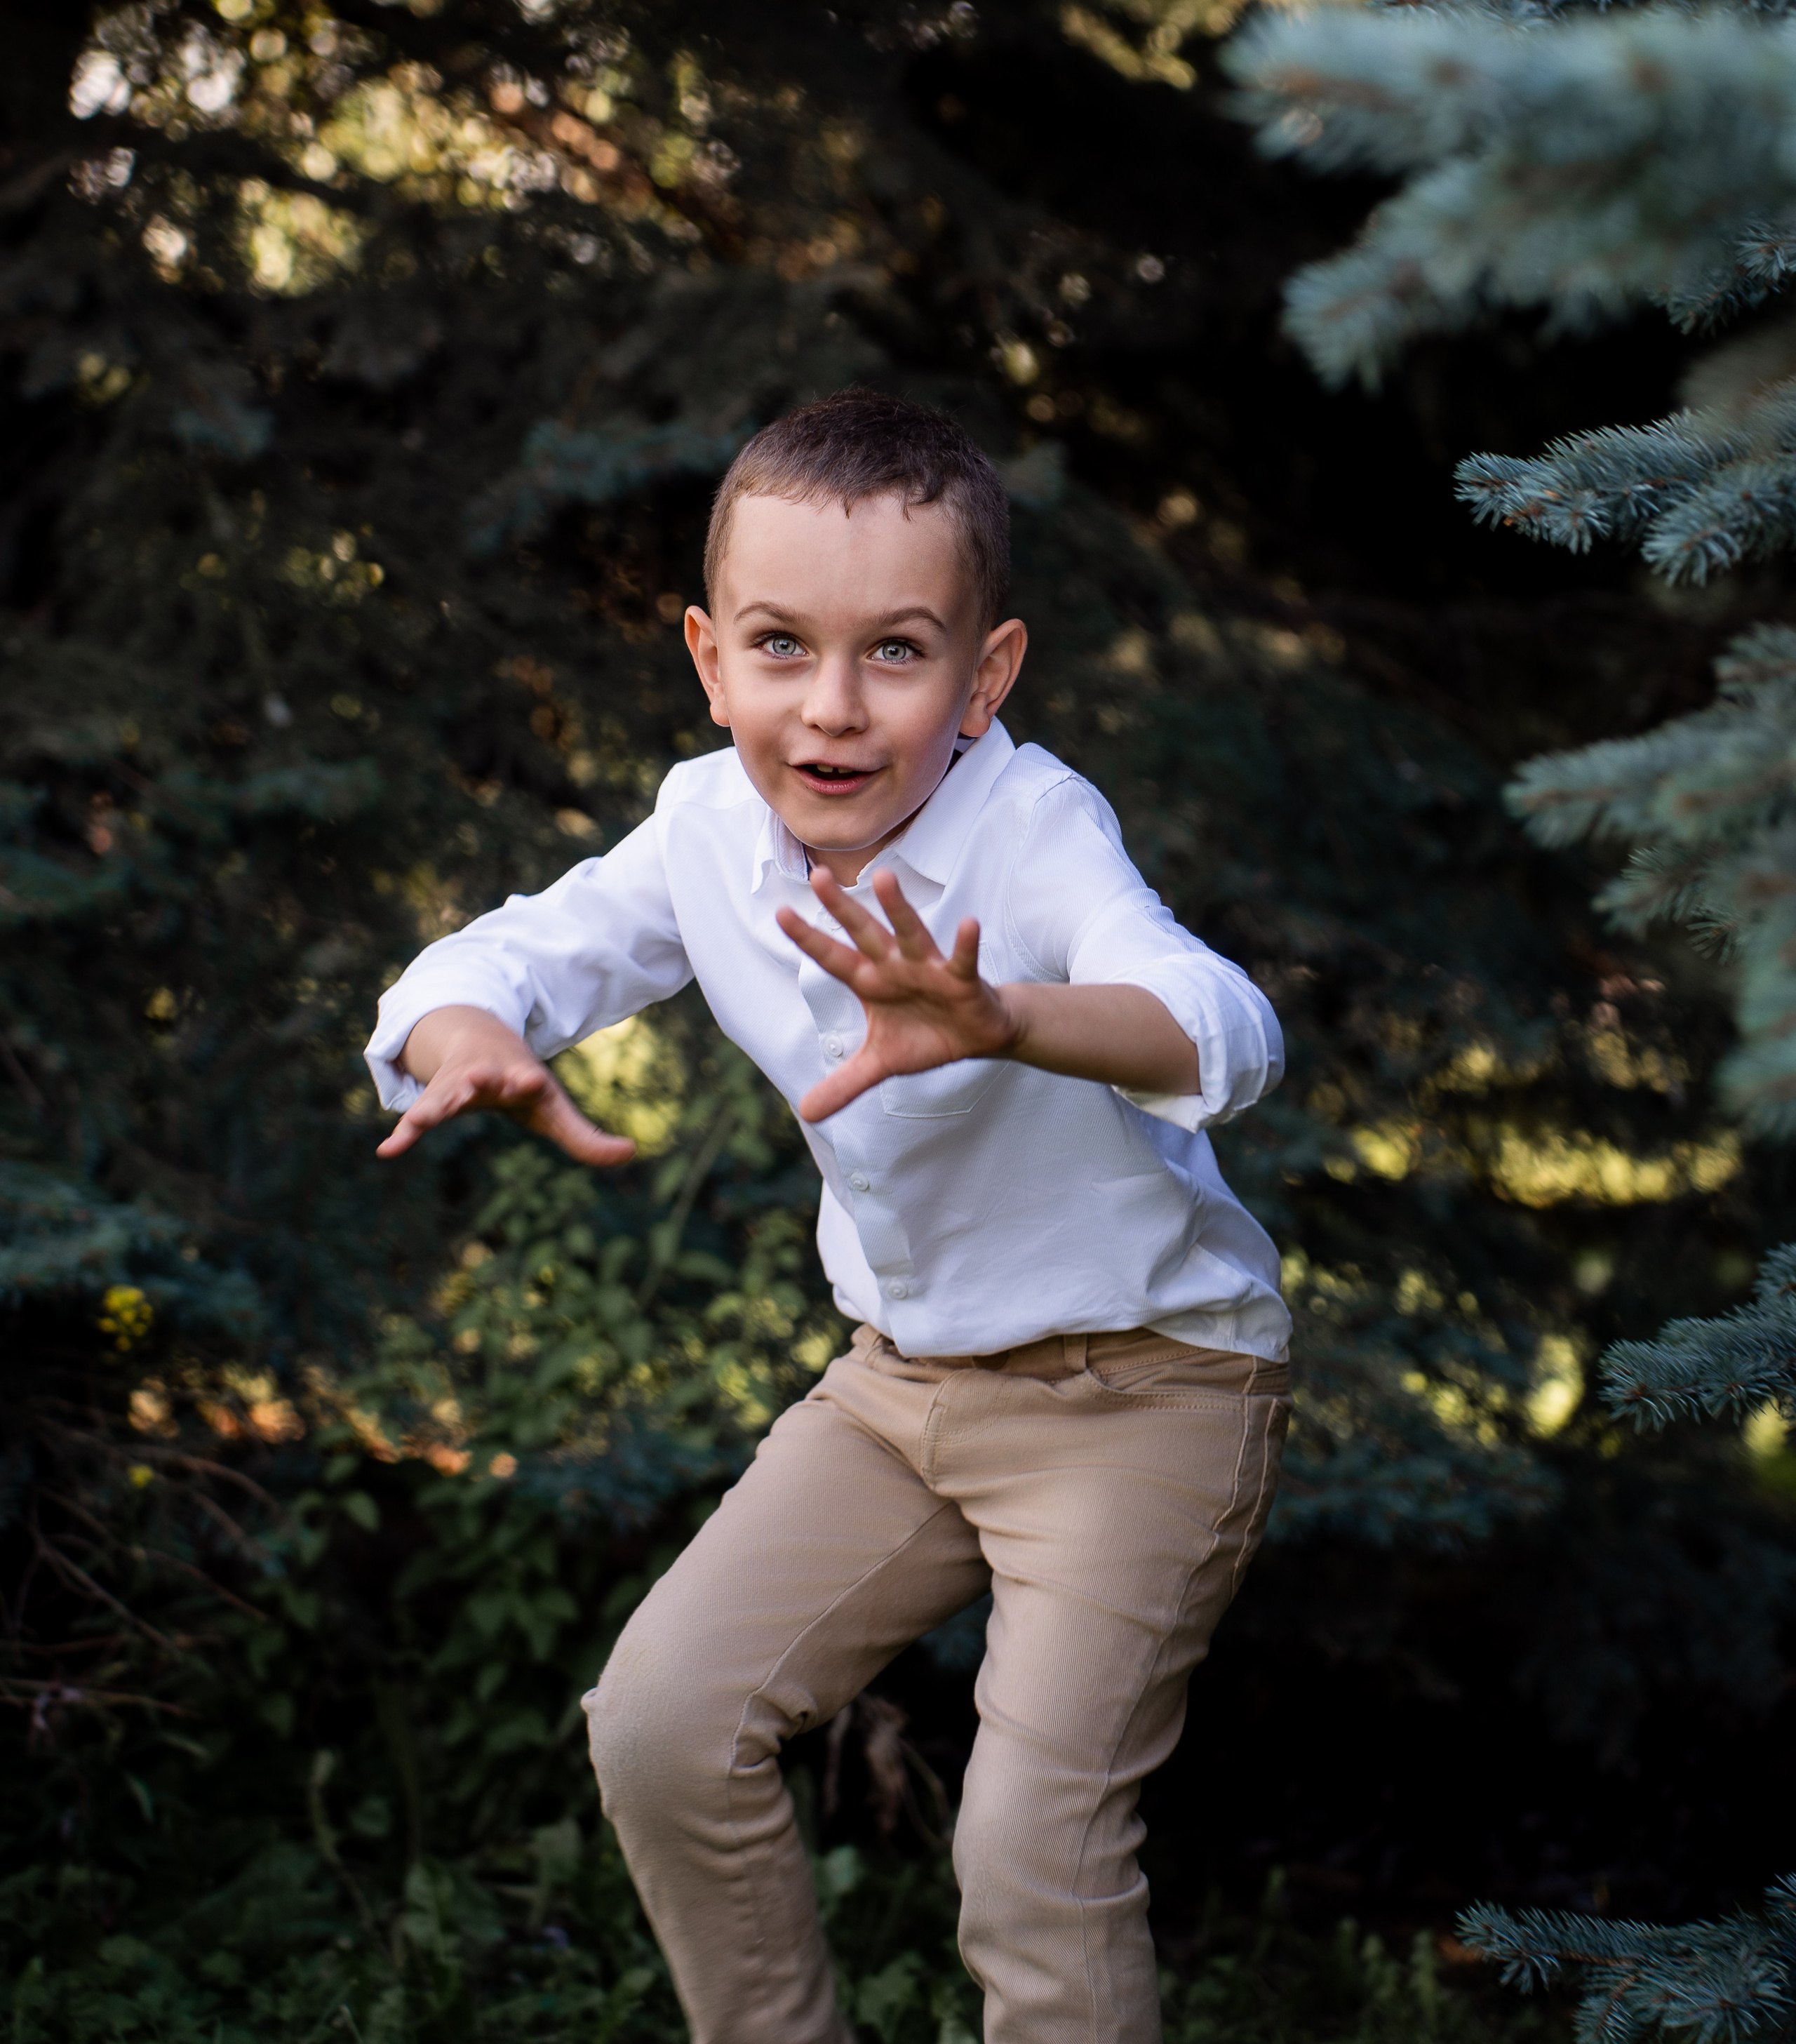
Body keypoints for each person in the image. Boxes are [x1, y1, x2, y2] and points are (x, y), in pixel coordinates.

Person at [364, 389, 1292, 2044]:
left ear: (986, 675)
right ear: (709, 657)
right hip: (902, 1389)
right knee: (661, 1724)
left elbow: (1217, 1026)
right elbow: (494, 961)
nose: (832, 710)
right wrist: (475, 1038)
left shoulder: (1034, 828)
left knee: (1028, 1849)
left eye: (897, 652)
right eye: (782, 648)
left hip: (1144, 1392)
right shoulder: (704, 828)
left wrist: (1006, 1015)